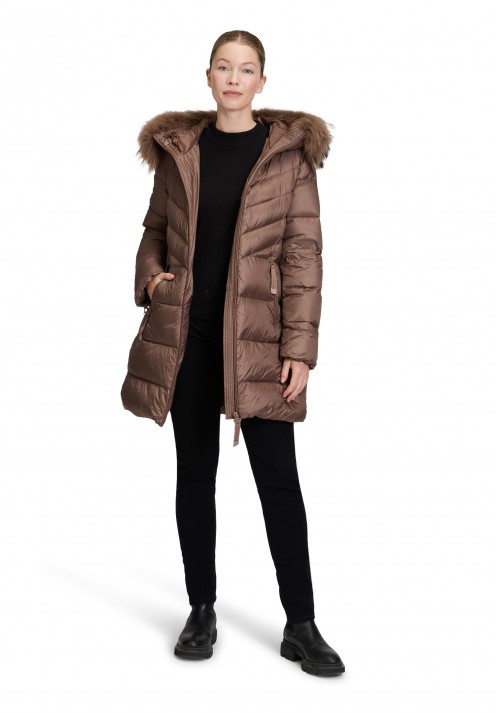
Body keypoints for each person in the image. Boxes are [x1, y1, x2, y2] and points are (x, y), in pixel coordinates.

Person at [121, 30, 345, 677]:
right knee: (195, 474)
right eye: (224, 66)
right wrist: (153, 279)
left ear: (262, 82)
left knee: (279, 481)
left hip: (259, 340)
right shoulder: (179, 152)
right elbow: (154, 231)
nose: (234, 78)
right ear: (209, 75)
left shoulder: (288, 157)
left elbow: (303, 257)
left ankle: (301, 624)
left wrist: (300, 348)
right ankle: (201, 609)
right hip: (189, 334)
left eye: (246, 69)